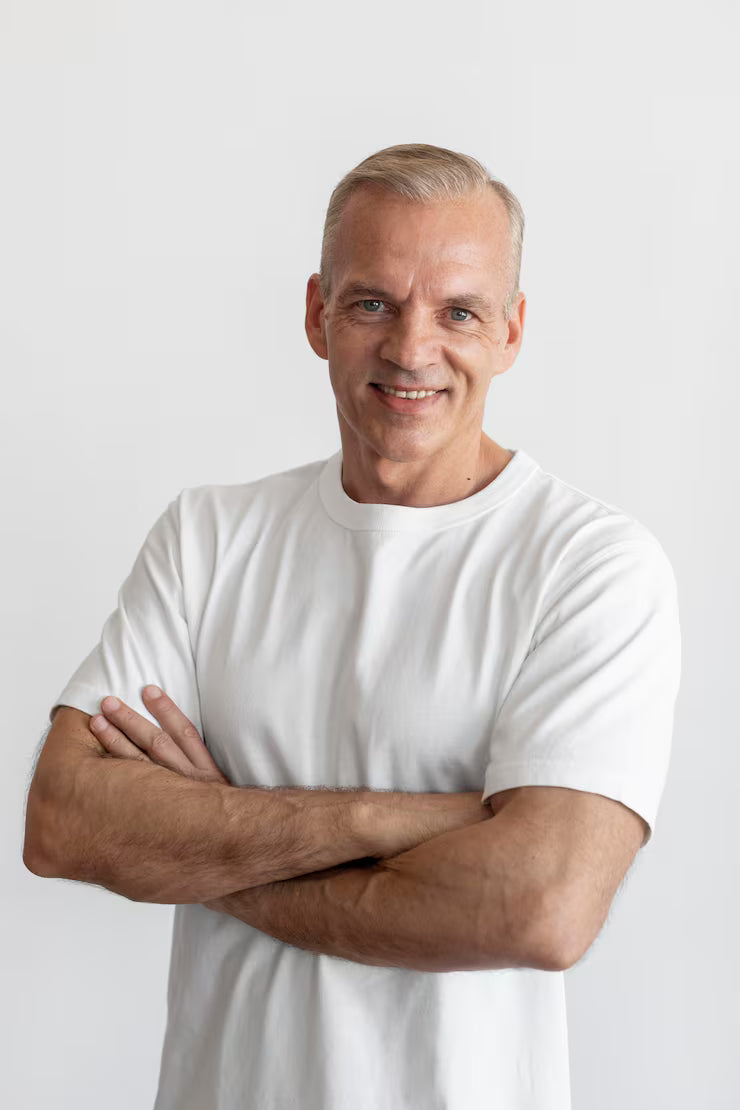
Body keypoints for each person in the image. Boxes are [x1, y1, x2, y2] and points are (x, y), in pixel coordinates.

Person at [24, 143, 681, 1110]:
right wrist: (393, 819)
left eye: (459, 312)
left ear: (511, 331)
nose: (412, 349)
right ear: (316, 314)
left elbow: (542, 908)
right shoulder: (210, 537)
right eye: (373, 302)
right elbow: (63, 821)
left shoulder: (591, 565)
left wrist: (208, 852)